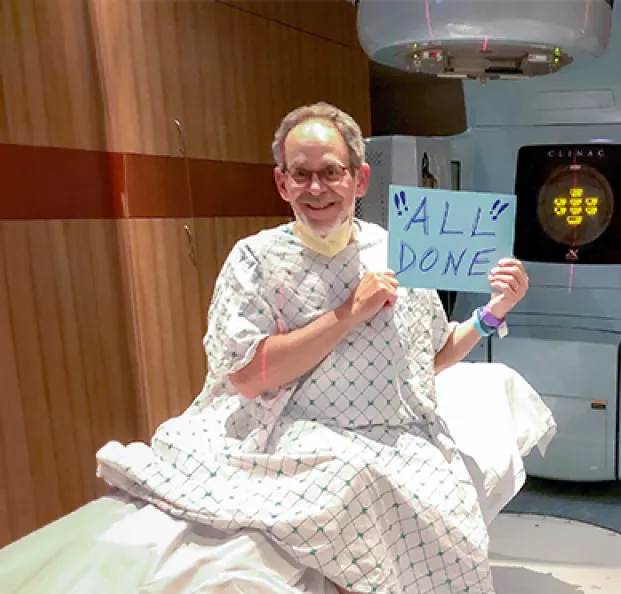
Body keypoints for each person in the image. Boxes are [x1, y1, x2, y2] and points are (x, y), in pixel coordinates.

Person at [96, 102, 531, 594]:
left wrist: (494, 312)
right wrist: (349, 311)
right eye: (300, 175)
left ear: (360, 179)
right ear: (282, 184)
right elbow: (248, 376)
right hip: (296, 432)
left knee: (452, 524)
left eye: (330, 172)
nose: (316, 188)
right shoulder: (256, 261)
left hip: (396, 432)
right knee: (350, 488)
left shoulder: (398, 249)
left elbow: (430, 358)